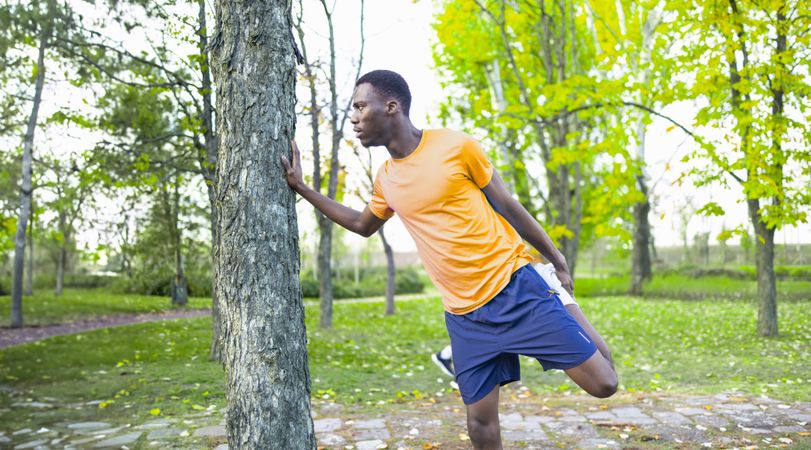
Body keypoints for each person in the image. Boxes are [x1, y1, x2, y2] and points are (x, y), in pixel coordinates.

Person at [281, 69, 617, 450]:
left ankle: (560, 297)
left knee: (604, 384)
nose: (354, 118)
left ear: (391, 107)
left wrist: (556, 259)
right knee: (480, 422)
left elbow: (507, 204)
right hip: (464, 315)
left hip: (515, 286)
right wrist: (302, 188)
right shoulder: (386, 178)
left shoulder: (456, 146)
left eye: (360, 107)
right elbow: (362, 224)